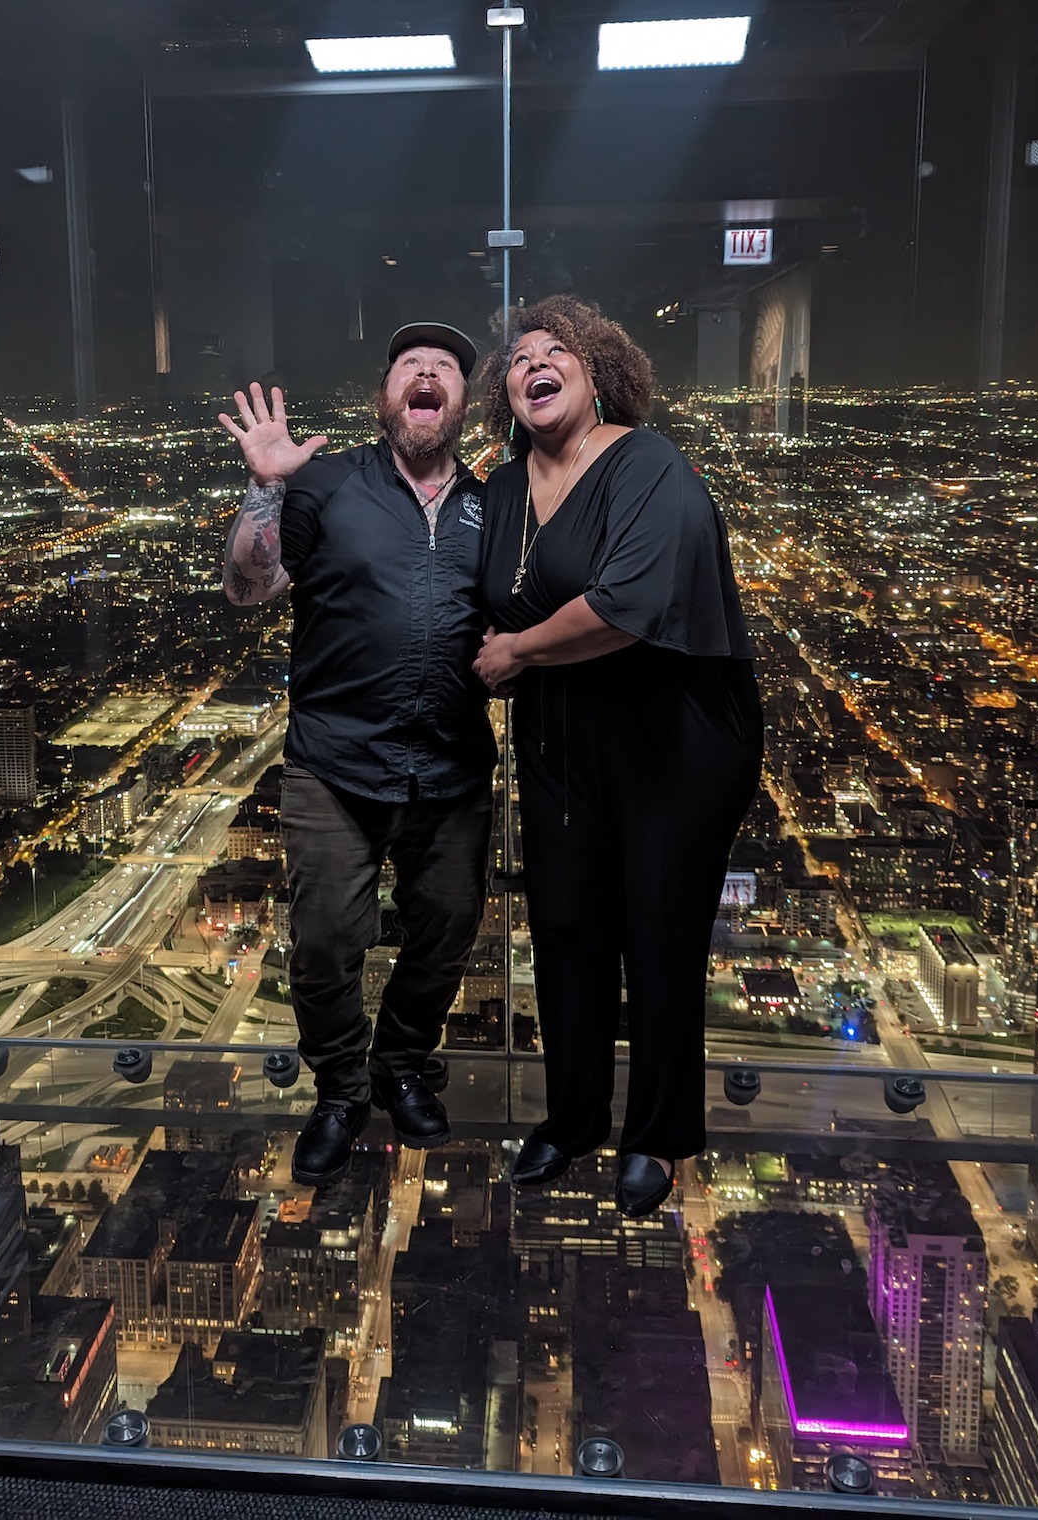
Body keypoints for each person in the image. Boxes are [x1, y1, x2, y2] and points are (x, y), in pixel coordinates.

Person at [473, 296, 762, 1219]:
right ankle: (572, 1119)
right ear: (507, 392)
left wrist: (515, 653)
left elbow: (628, 605)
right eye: (519, 358)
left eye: (558, 350)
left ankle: (659, 1137)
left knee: (660, 932)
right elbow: (488, 598)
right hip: (564, 737)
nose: (535, 363)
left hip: (671, 736)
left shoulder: (647, 461)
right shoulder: (510, 485)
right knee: (564, 927)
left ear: (601, 376)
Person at [220, 325, 494, 1186]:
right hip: (334, 765)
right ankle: (340, 1089)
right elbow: (247, 587)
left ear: (460, 403)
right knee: (326, 942)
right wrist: (265, 490)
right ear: (386, 399)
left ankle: (402, 1065)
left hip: (451, 768)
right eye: (409, 365)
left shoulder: (497, 506)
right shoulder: (326, 485)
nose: (424, 372)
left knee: (446, 934)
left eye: (443, 367)